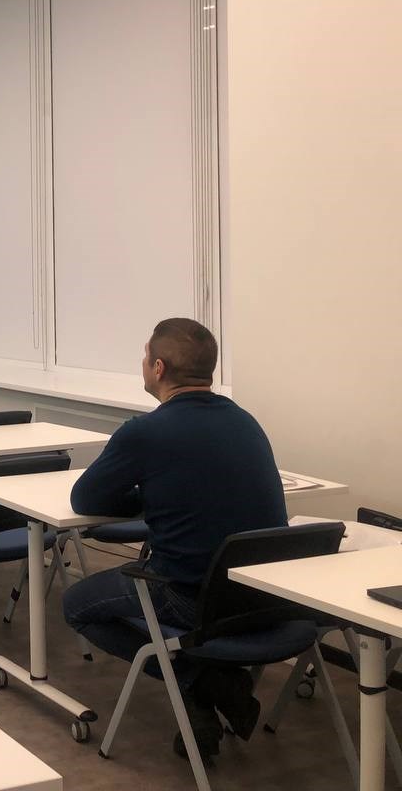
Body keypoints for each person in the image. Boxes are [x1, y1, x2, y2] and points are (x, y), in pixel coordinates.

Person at [62, 318, 287, 761]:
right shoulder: (245, 421)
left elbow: (85, 498)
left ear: (159, 367)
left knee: (75, 606)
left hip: (189, 598)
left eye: (145, 357)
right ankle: (208, 685)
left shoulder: (145, 432)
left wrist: (144, 497)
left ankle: (199, 679)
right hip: (264, 597)